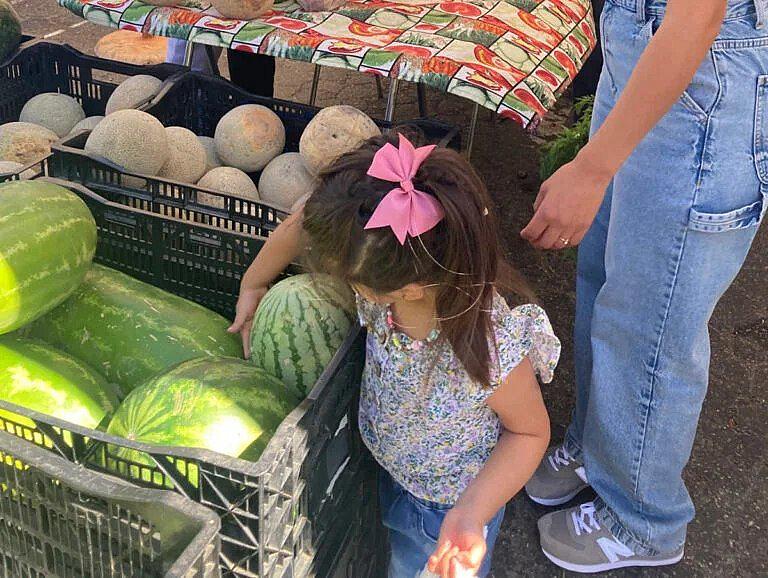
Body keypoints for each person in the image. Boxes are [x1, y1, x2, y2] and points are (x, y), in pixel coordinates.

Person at [229, 132, 561, 577]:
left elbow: (529, 434)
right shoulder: (387, 264)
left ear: (410, 289)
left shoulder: (489, 346)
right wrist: (254, 281)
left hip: (442, 511)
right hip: (389, 469)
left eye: (350, 277)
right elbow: (306, 220)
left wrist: (470, 514)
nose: (344, 280)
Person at [521, 0, 766, 572]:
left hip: (704, 82)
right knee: (606, 282)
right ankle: (600, 448)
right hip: (644, 54)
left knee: (652, 324)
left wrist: (591, 168)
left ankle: (642, 519)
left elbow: (698, 18)